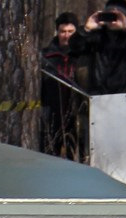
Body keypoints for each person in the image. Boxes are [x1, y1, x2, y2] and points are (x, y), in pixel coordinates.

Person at [69, 0, 126, 95]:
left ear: (125, 16)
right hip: (98, 93)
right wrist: (86, 29)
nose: (113, 19)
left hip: (125, 93)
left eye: (117, 15)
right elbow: (74, 47)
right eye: (110, 14)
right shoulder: (96, 35)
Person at [40, 12, 84, 156]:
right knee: (49, 154)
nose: (66, 35)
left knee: (77, 154)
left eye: (70, 31)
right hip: (51, 113)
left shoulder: (83, 55)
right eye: (63, 31)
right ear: (57, 32)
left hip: (77, 112)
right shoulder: (46, 56)